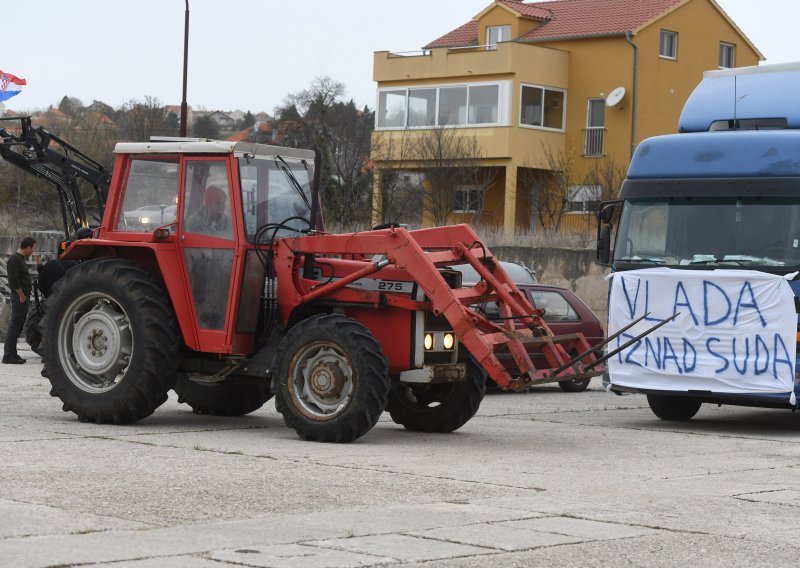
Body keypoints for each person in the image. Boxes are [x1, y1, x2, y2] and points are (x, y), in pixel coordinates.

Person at [4, 236, 36, 364]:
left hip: (22, 297)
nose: (33, 251)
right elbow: (13, 279)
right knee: (15, 325)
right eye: (33, 248)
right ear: (28, 247)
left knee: (18, 326)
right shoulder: (14, 259)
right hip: (19, 297)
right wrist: (21, 295)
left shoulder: (21, 259)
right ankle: (8, 355)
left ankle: (13, 353)